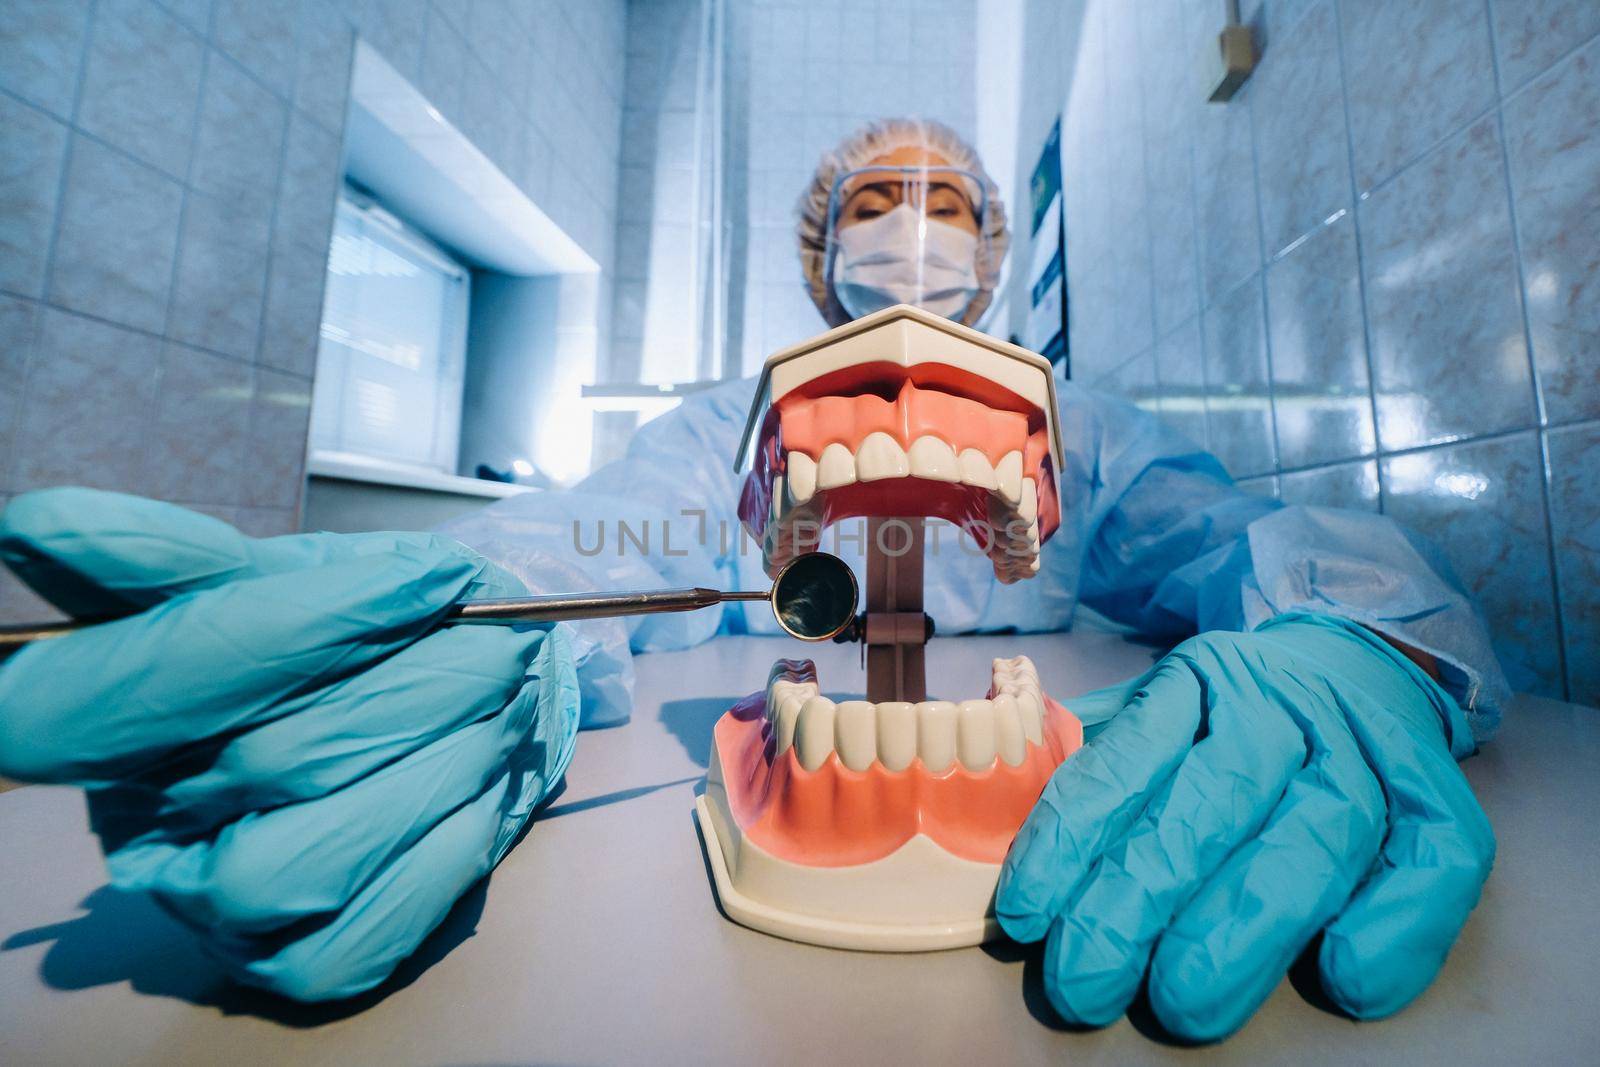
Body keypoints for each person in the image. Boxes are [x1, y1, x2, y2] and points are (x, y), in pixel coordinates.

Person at [0, 120, 1502, 1041]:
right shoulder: (736, 420)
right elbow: (607, 537)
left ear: (989, 248)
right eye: (869, 202)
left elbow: (1234, 534)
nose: (908, 227)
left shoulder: (1075, 422)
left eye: (943, 202)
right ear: (815, 251)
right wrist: (482, 614)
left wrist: (1362, 640)